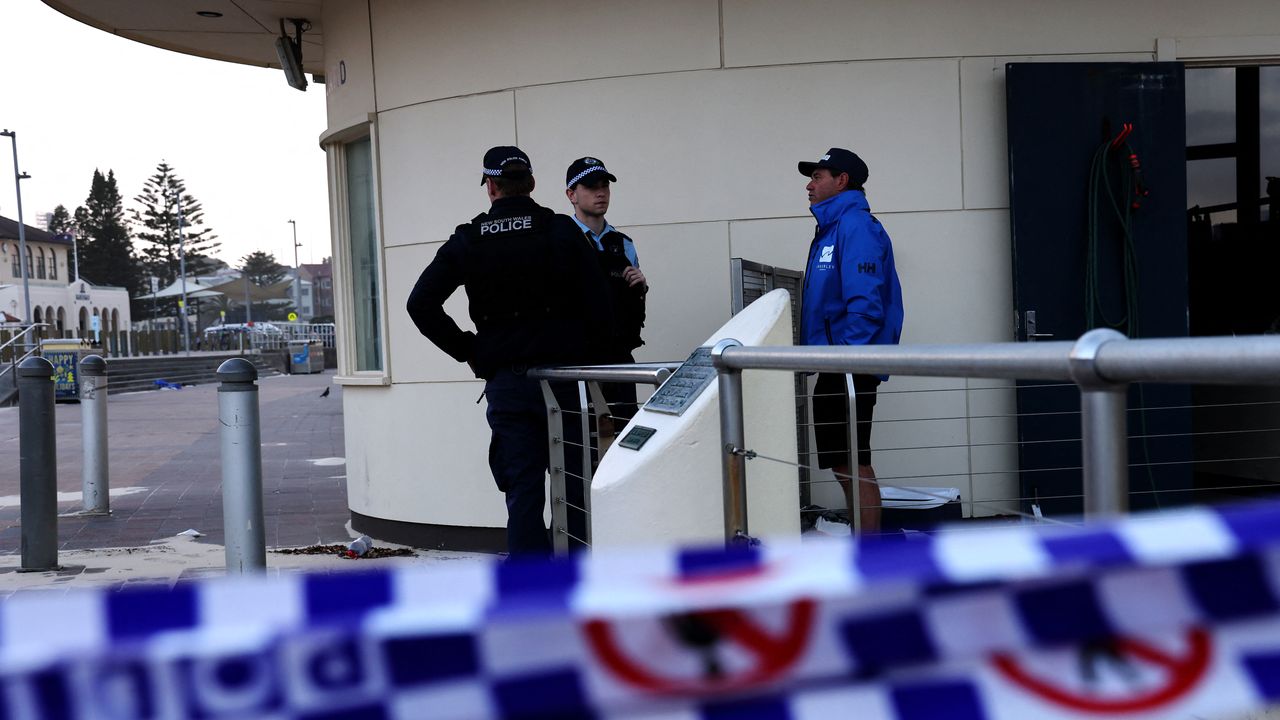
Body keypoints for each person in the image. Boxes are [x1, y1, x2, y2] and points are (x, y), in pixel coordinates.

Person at [406, 146, 610, 556]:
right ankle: (578, 589)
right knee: (574, 490)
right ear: (532, 184)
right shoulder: (561, 231)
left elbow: (420, 303)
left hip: (508, 383)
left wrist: (470, 349)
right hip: (564, 381)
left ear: (491, 187)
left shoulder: (469, 238)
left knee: (524, 493)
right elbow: (601, 306)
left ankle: (529, 601)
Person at [798, 147, 904, 533]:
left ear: (841, 180)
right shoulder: (833, 227)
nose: (809, 186)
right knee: (845, 463)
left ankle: (870, 555)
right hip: (837, 363)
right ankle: (867, 547)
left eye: (817, 177)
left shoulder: (855, 225)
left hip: (847, 365)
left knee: (852, 463)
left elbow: (865, 304)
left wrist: (843, 358)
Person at [564, 156, 647, 421]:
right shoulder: (561, 240)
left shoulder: (623, 244)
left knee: (623, 435)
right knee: (581, 442)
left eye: (604, 185)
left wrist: (641, 286)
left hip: (619, 359)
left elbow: (631, 305)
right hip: (577, 362)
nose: (600, 193)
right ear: (571, 195)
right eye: (590, 186)